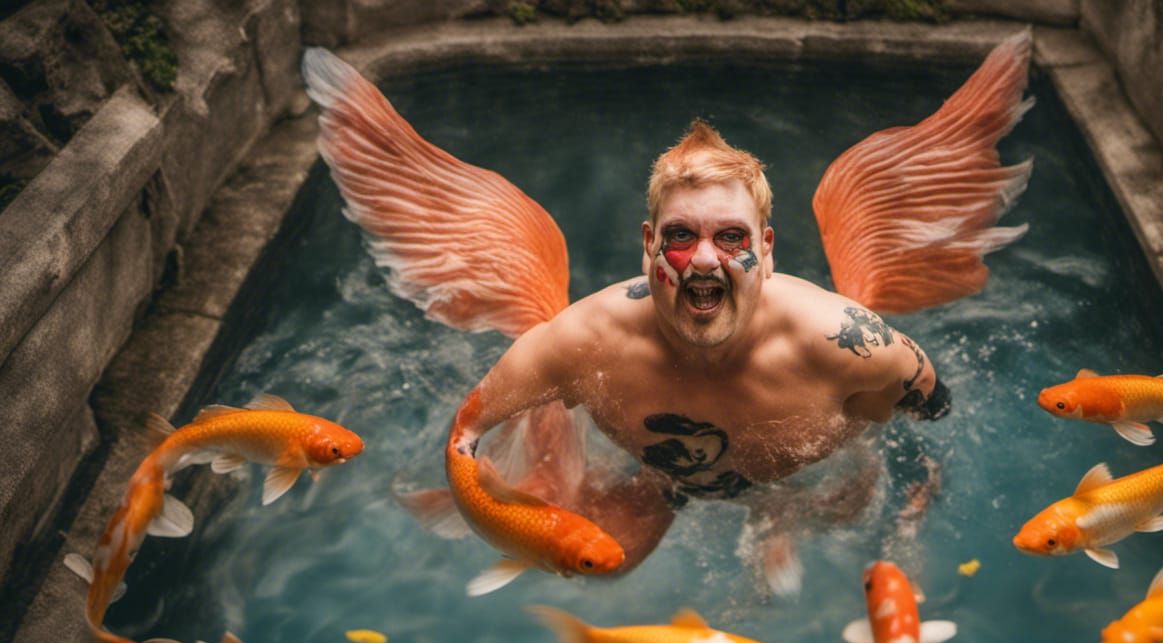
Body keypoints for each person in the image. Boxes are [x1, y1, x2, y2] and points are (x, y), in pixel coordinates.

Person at [301, 32, 1032, 590]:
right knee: (603, 564)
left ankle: (785, 519)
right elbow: (465, 434)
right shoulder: (579, 341)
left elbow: (936, 408)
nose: (705, 261)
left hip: (810, 479)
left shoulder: (850, 342)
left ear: (766, 250)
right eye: (681, 237)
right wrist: (501, 507)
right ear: (649, 245)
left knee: (855, 513)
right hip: (667, 482)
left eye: (731, 238)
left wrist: (918, 476)